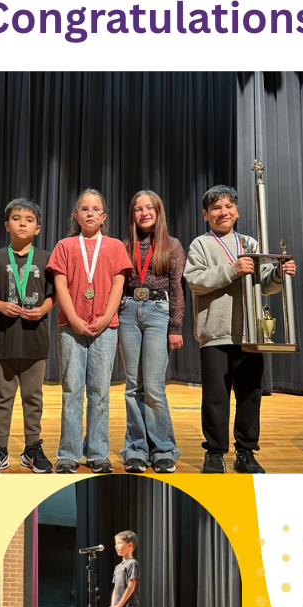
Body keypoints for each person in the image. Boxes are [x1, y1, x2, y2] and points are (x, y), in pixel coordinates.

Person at [184, 184, 296, 474]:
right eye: (216, 208)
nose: (223, 212)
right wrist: (232, 270)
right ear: (206, 214)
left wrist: (280, 275)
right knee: (215, 398)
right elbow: (195, 280)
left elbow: (266, 284)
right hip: (215, 334)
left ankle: (246, 452)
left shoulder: (251, 244)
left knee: (250, 396)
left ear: (238, 211)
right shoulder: (200, 244)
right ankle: (215, 453)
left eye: (228, 206)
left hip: (251, 334)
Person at [47, 189, 133, 474]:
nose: (90, 213)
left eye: (96, 209)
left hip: (105, 328)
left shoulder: (115, 247)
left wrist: (106, 317)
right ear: (76, 215)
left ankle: (97, 452)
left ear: (104, 216)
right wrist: (73, 318)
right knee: (72, 391)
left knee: (100, 392)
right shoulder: (65, 245)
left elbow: (119, 285)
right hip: (71, 328)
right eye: (84, 209)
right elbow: (60, 285)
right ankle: (68, 453)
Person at [0, 198, 56, 474]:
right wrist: (0, 305)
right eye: (16, 218)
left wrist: (43, 310)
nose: (22, 223)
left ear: (38, 227)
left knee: (33, 397)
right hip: (4, 339)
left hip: (35, 341)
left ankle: (32, 448)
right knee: (2, 398)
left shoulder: (47, 258)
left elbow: (54, 295)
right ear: (6, 225)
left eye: (29, 219)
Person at [118, 191, 185, 474]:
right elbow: (118, 286)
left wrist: (176, 327)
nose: (144, 213)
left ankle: (163, 448)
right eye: (137, 209)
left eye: (149, 208)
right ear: (132, 214)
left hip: (158, 311)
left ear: (158, 211)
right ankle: (136, 448)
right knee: (133, 386)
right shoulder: (124, 245)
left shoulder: (172, 245)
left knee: (154, 387)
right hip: (128, 311)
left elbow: (177, 288)